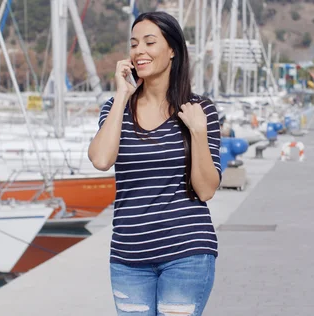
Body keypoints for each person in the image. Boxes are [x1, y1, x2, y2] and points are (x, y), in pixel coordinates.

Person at [87, 11, 221, 316]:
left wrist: (198, 132)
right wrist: (122, 96)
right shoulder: (115, 108)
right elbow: (101, 159)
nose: (139, 51)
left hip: (186, 253)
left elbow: (206, 190)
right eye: (134, 44)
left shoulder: (200, 110)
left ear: (172, 50)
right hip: (128, 258)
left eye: (149, 42)